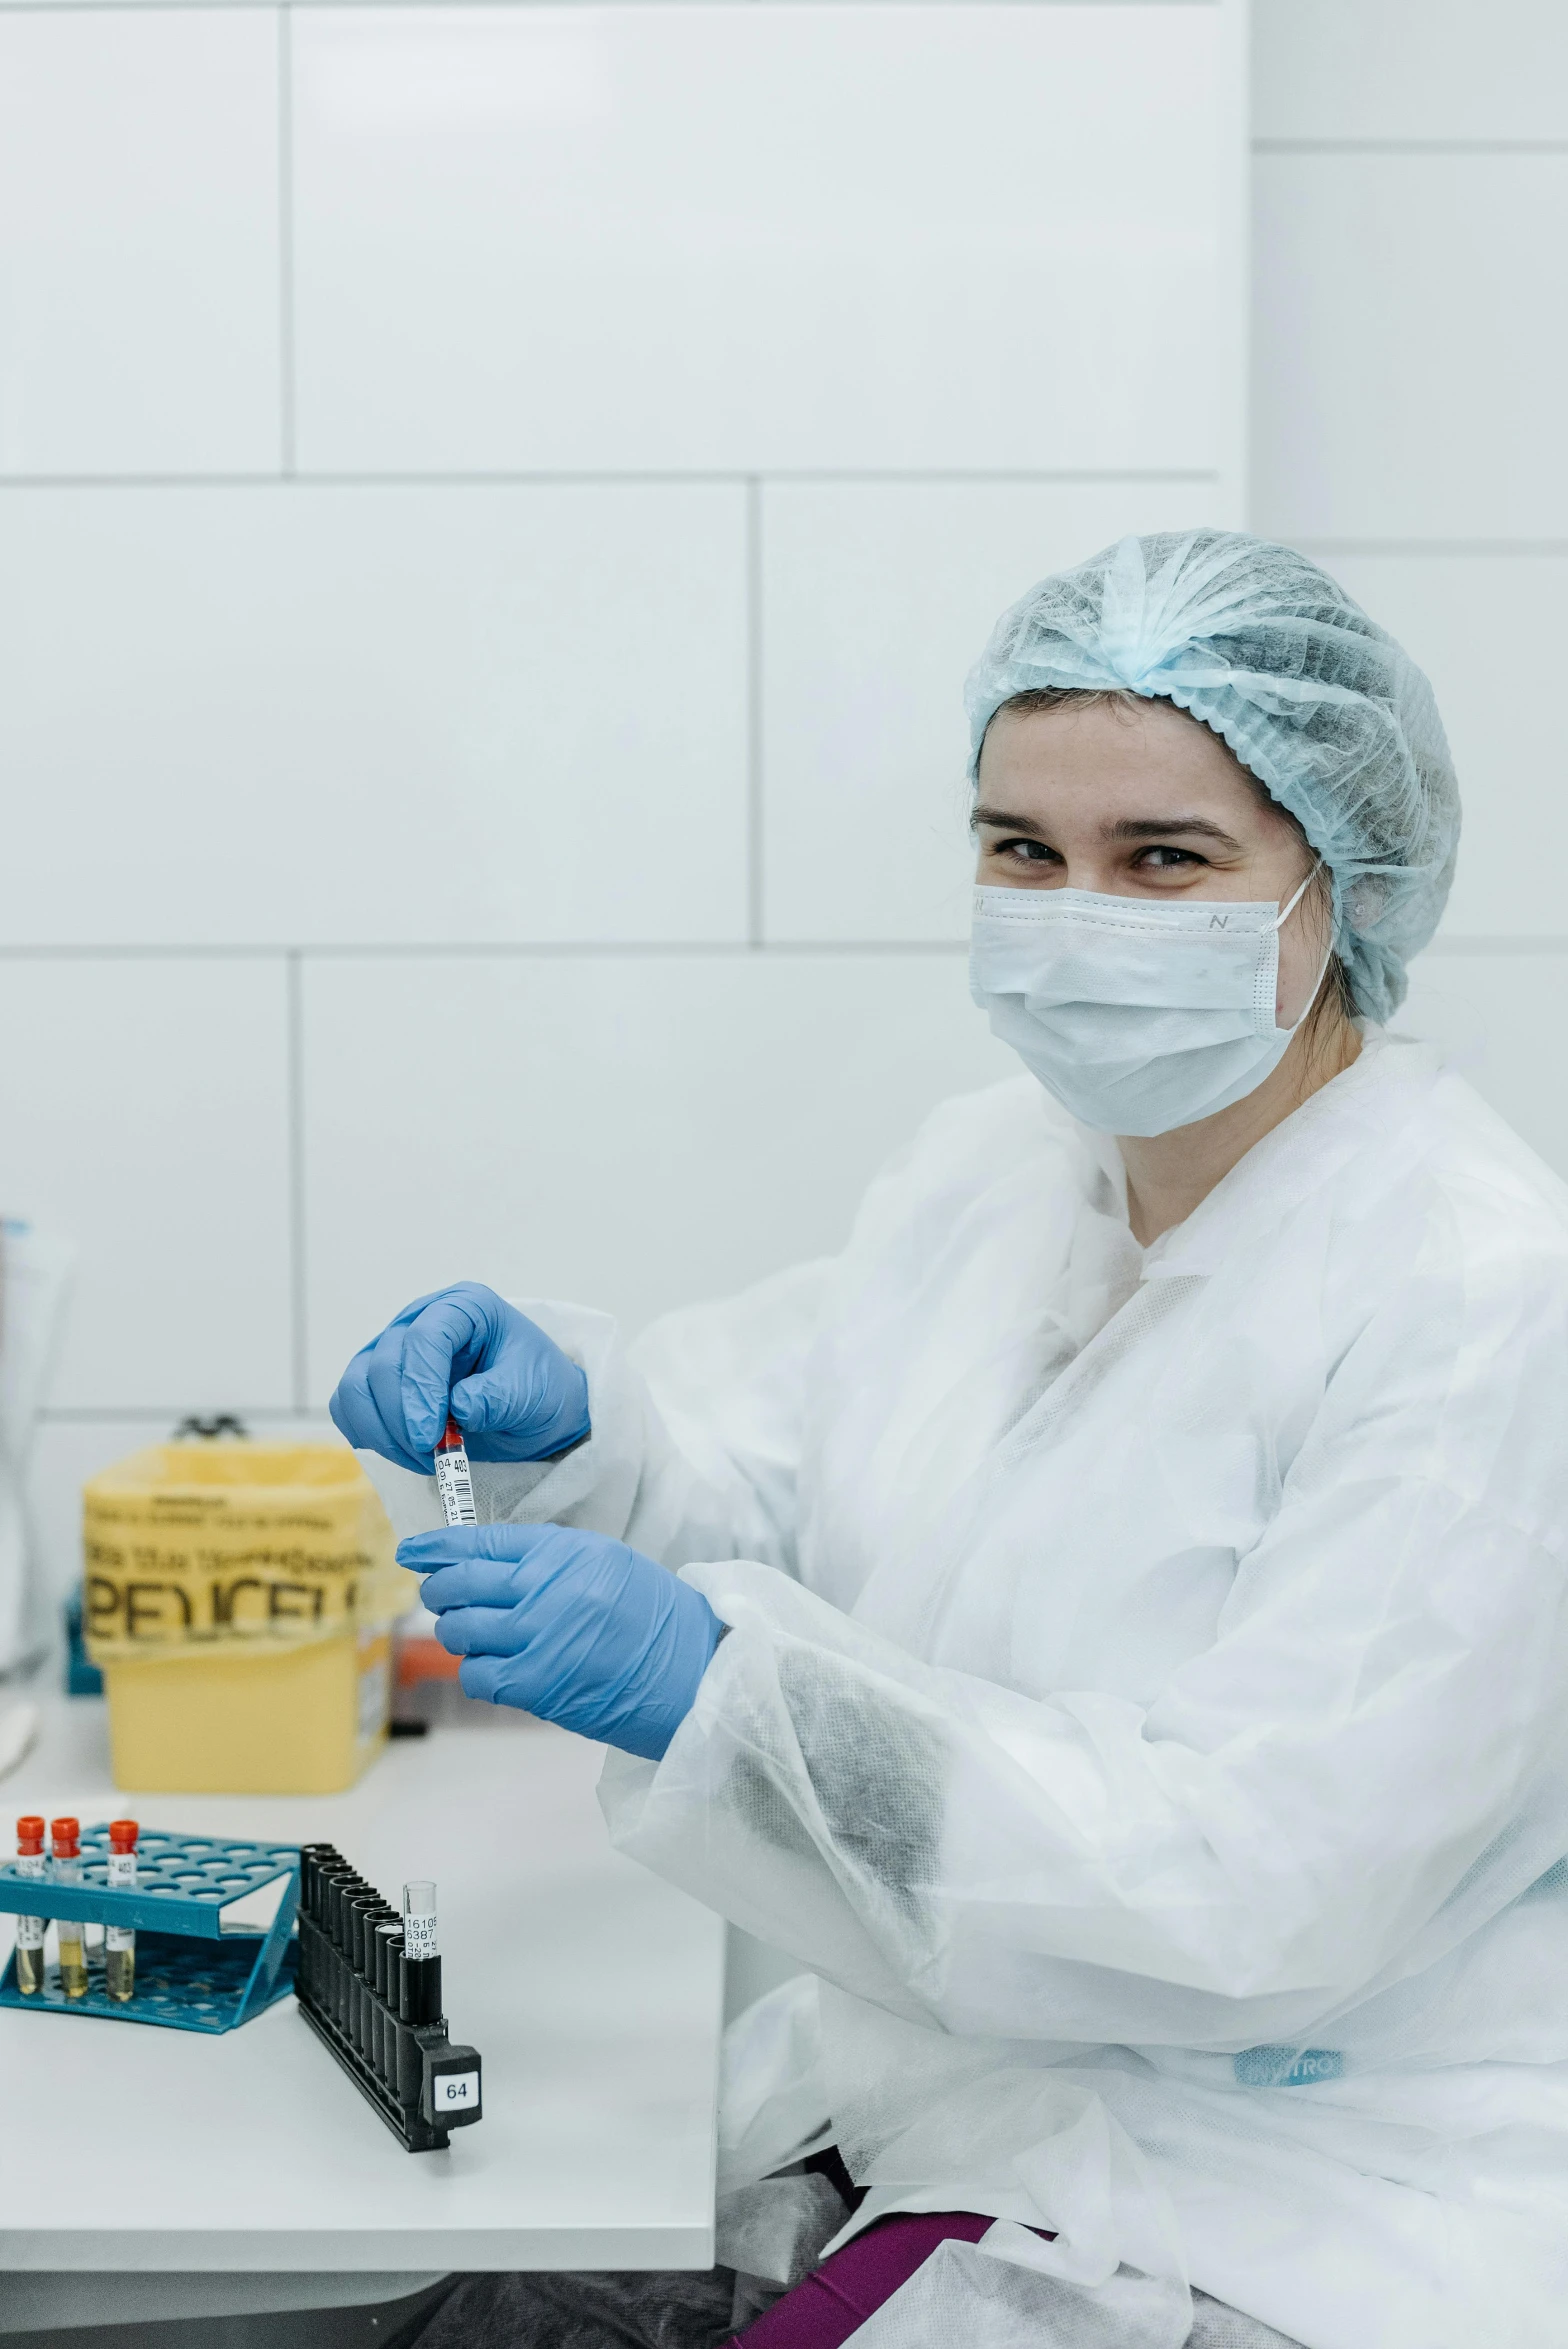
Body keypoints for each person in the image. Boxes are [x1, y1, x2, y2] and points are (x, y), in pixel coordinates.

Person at [336, 532, 1568, 2349]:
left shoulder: (1480, 1297)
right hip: (955, 2105)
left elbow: (1249, 1897)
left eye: (1167, 859)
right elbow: (761, 1471)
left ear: (1345, 884)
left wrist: (726, 1694)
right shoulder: (998, 1173)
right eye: (1024, 852)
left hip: (1288, 2196)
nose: (1079, 913)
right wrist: (579, 1432)